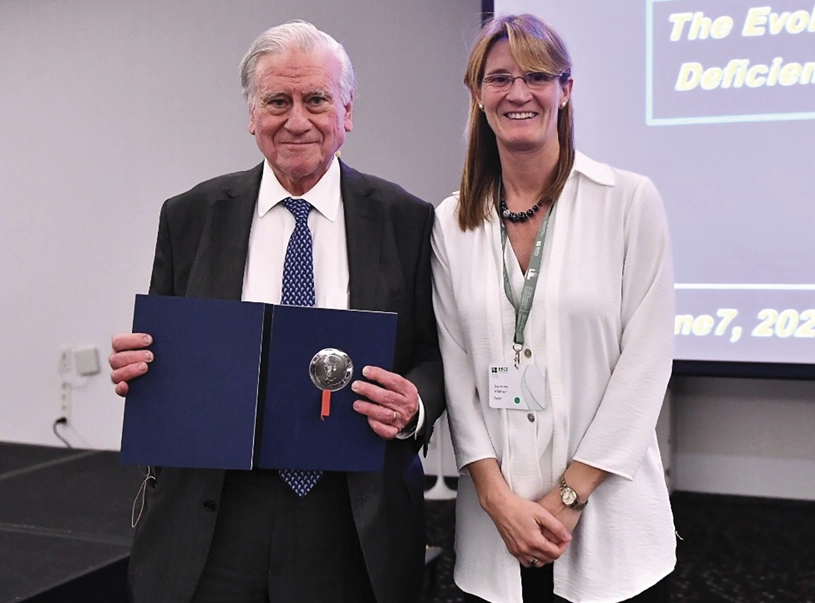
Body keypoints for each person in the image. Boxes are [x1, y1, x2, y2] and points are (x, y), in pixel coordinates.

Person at [109, 20, 444, 603]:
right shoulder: (189, 215)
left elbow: (434, 355)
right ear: (251, 113)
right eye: (277, 101)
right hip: (212, 519)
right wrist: (140, 367)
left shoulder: (406, 220)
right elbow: (166, 351)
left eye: (316, 99)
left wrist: (415, 402)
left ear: (347, 111)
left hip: (353, 519)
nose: (296, 120)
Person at [431, 13, 675, 603]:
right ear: (477, 94)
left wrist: (569, 497)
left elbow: (645, 366)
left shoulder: (628, 202)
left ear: (566, 90)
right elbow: (457, 373)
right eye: (499, 78)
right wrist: (495, 498)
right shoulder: (451, 221)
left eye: (538, 76)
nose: (519, 92)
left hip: (611, 534)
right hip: (496, 536)